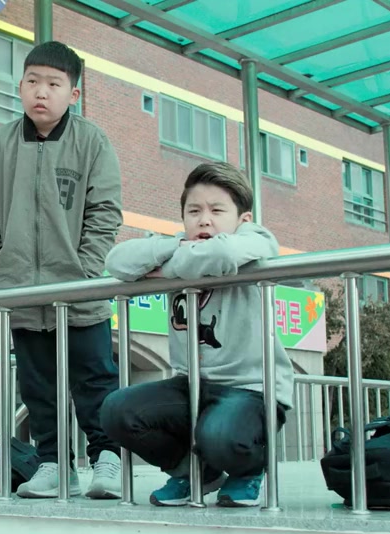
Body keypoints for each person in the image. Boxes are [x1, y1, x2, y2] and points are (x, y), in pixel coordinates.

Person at [0, 41, 123, 499]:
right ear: (20, 86)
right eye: (33, 81)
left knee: (94, 378)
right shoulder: (0, 144)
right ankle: (54, 464)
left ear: (73, 94)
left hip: (81, 291)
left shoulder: (91, 141)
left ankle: (107, 459)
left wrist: (85, 273)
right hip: (21, 292)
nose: (41, 91)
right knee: (37, 386)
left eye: (54, 84)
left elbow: (105, 211)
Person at [100, 161, 292, 507]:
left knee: (217, 434)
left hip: (251, 388)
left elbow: (222, 252)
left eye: (217, 211)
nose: (204, 220)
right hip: (191, 385)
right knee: (116, 410)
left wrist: (167, 269)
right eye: (194, 211)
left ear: (243, 219)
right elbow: (117, 261)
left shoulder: (256, 239)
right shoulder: (180, 244)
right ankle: (194, 472)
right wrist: (178, 246)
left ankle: (249, 470)